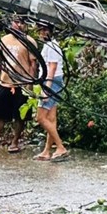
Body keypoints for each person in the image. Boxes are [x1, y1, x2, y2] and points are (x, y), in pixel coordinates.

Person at [0, 16, 37, 154]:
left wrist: (31, 84)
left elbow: (33, 64)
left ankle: (15, 142)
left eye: (22, 23)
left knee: (20, 116)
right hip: (5, 82)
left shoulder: (29, 41)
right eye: (16, 22)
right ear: (12, 23)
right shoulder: (4, 40)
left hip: (21, 83)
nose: (19, 25)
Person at [34, 23, 68, 162]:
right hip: (54, 80)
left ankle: (60, 147)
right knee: (51, 118)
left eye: (43, 30)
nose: (41, 33)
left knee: (41, 117)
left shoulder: (52, 46)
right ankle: (47, 151)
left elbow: (52, 68)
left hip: (52, 81)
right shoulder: (50, 45)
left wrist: (46, 89)